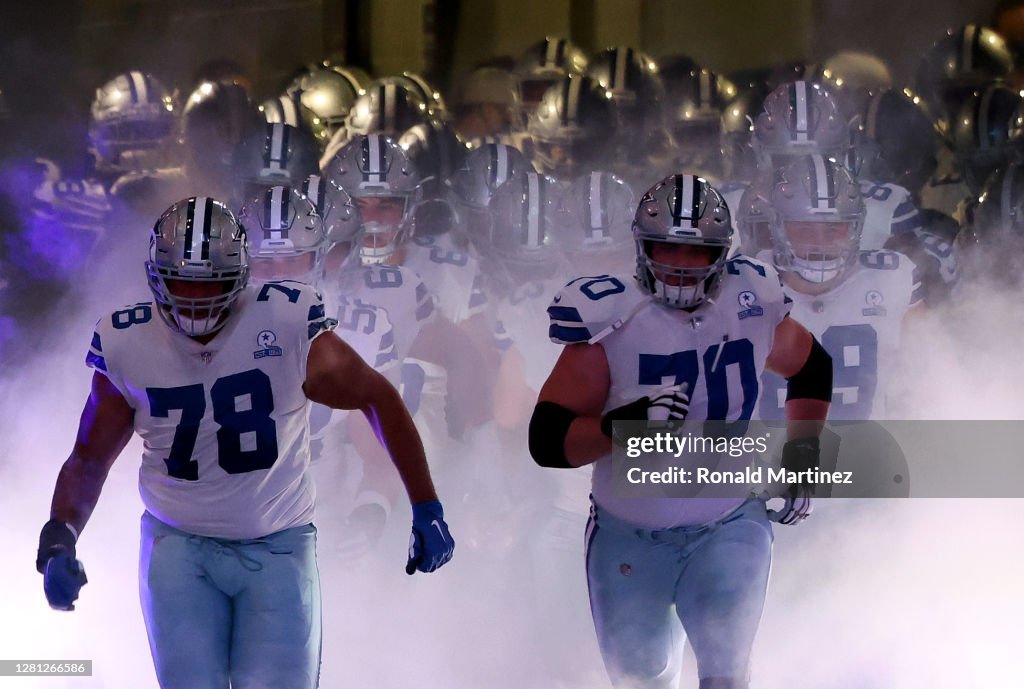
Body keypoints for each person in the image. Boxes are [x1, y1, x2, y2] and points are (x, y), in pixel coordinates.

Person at [35, 196, 454, 689]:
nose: (192, 298)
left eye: (207, 283)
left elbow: (378, 398)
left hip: (278, 543)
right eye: (180, 282)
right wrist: (59, 534)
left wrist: (426, 504)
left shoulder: (286, 320)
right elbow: (89, 458)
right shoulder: (128, 340)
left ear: (239, 276)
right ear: (155, 276)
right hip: (179, 546)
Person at [530, 174, 832, 689]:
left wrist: (801, 456)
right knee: (644, 675)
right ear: (641, 247)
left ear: (723, 252)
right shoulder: (612, 317)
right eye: (666, 247)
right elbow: (547, 440)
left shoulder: (751, 297)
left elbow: (811, 365)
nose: (680, 264)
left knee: (725, 668)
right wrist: (624, 427)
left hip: (730, 518)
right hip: (631, 534)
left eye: (697, 252)